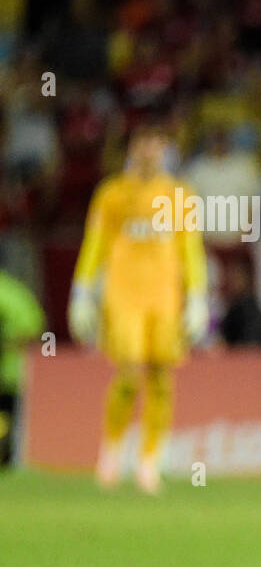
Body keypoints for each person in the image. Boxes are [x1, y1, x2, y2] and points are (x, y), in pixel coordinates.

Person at [67, 124, 208, 493]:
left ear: (165, 148)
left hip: (164, 298)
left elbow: (190, 250)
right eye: (143, 143)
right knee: (129, 373)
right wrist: (82, 291)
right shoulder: (112, 194)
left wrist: (197, 297)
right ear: (132, 148)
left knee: (161, 375)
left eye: (157, 143)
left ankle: (149, 462)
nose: (149, 150)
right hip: (123, 295)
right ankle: (111, 452)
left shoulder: (179, 195)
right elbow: (94, 244)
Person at [0, 268, 46, 468]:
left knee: (7, 416)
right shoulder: (15, 293)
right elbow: (36, 331)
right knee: (8, 417)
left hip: (10, 373)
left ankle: (6, 457)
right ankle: (7, 457)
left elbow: (36, 336)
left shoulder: (11, 293)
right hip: (13, 373)